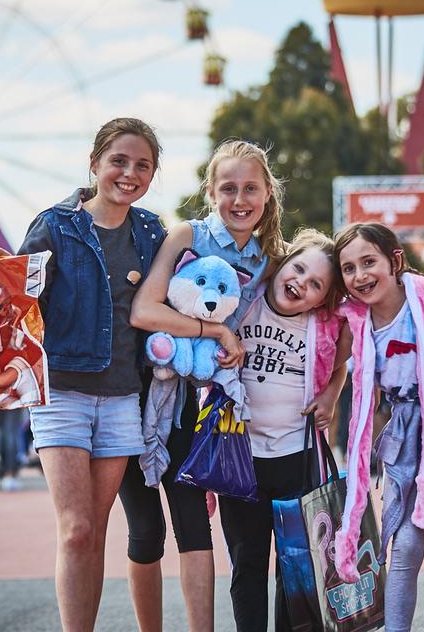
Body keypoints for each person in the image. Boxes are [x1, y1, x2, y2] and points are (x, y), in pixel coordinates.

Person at [14, 117, 168, 632]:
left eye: (142, 165)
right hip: (62, 393)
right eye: (119, 161)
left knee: (97, 530)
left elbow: (169, 298)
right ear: (95, 163)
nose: (129, 173)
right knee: (76, 530)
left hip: (124, 396)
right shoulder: (54, 226)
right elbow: (17, 303)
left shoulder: (151, 232)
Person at [125, 138, 282, 632]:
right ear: (211, 191)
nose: (240, 200)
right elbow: (144, 312)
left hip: (211, 410)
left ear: (267, 193)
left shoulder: (267, 258)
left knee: (196, 530)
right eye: (229, 188)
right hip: (154, 394)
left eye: (251, 188)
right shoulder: (186, 235)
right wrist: (213, 330)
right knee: (146, 531)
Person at [335, 224, 424, 632]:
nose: (360, 275)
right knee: (405, 548)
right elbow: (335, 370)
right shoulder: (355, 323)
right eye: (348, 268)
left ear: (394, 261)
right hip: (406, 437)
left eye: (368, 262)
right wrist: (326, 401)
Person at [221, 228, 349, 632]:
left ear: (323, 299)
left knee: (296, 564)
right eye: (298, 269)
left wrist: (329, 396)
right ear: (281, 264)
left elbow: (341, 365)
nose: (300, 284)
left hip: (297, 457)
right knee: (248, 561)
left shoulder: (324, 325)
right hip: (240, 456)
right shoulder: (243, 302)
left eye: (316, 285)